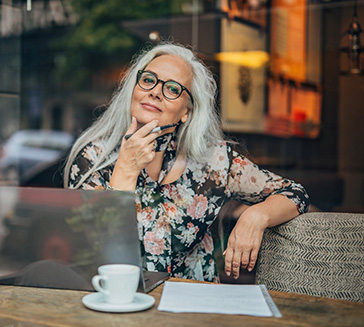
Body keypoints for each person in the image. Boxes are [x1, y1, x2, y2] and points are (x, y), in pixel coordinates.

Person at [64, 42, 310, 282]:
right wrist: (126, 170)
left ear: (187, 112)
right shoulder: (92, 159)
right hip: (120, 303)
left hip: (193, 310)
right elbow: (94, 254)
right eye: (148, 80)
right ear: (134, 89)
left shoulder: (213, 162)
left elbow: (295, 194)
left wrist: (256, 216)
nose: (155, 91)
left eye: (172, 89)